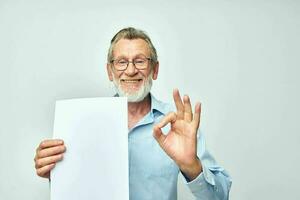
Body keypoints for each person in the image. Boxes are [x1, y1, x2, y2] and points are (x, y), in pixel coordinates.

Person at [34, 27, 232, 200]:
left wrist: (192, 166)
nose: (130, 71)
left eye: (140, 61)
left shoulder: (178, 124)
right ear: (110, 71)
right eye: (121, 62)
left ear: (155, 69)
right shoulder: (81, 122)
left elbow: (220, 197)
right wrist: (57, 172)